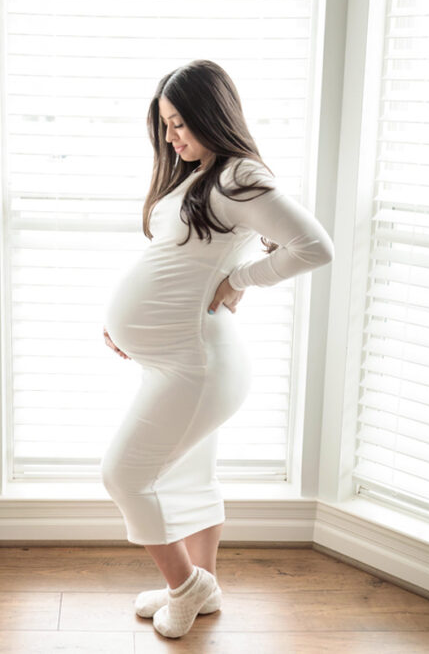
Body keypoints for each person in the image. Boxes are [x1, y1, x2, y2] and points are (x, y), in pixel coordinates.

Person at [100, 60, 333, 639]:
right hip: (175, 358)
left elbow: (314, 246)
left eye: (181, 123)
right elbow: (182, 263)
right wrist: (128, 323)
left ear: (212, 114)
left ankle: (187, 587)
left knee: (124, 476)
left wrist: (240, 282)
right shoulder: (203, 172)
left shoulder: (239, 175)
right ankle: (202, 585)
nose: (173, 138)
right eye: (166, 126)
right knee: (189, 478)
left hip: (197, 364)